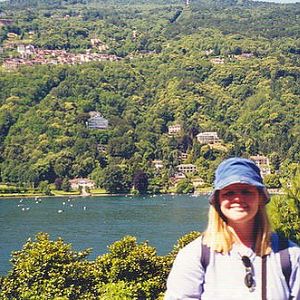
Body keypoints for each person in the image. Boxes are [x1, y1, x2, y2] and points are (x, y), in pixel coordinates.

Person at [165, 157, 300, 300]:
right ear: (218, 200)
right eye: (229, 193)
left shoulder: (291, 256)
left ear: (260, 198)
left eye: (246, 191)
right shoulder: (194, 256)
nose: (238, 199)